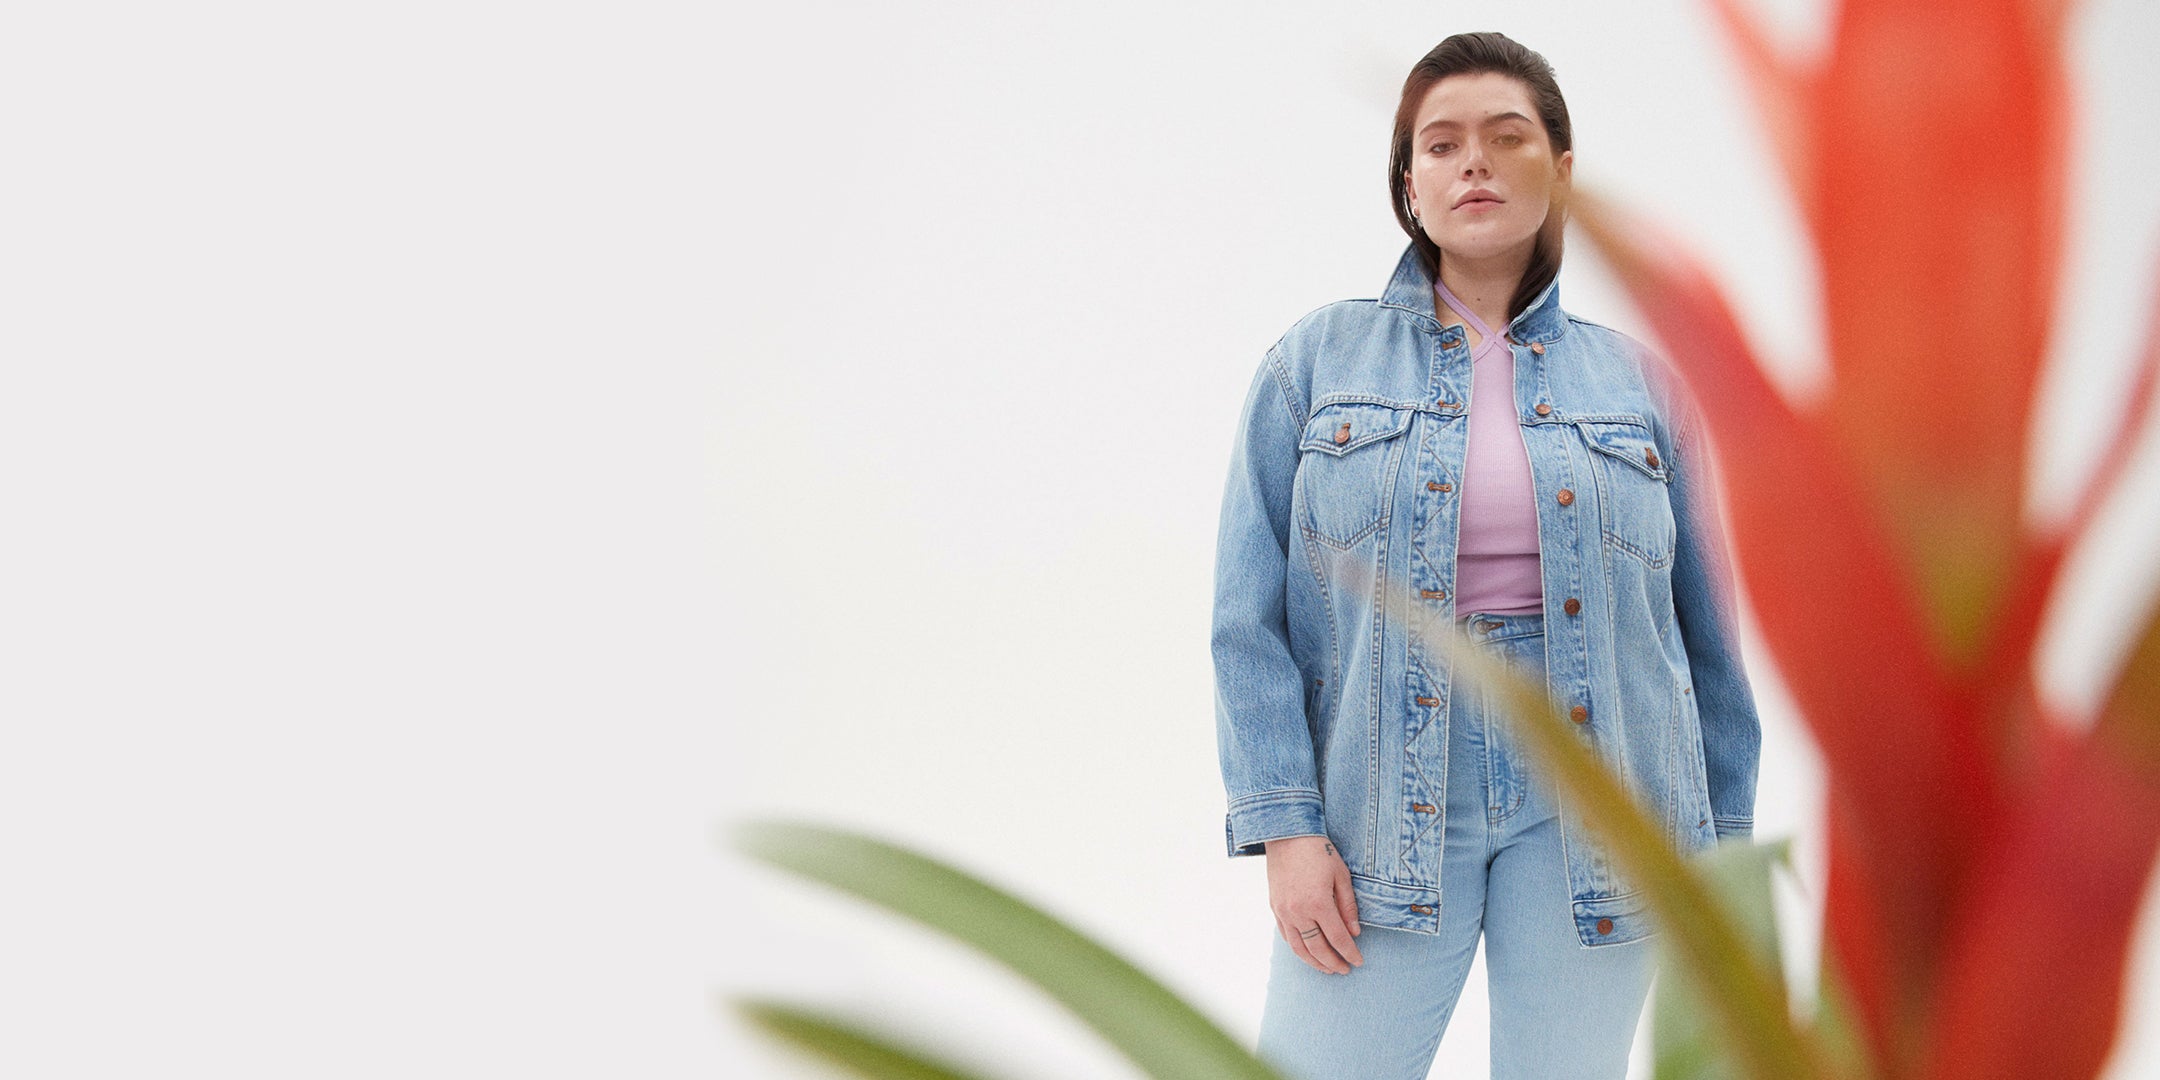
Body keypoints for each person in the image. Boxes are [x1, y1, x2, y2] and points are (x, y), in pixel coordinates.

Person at [1209, 31, 1763, 1079]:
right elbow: (1248, 622)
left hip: (1607, 809)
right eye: (1442, 143)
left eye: (1508, 138)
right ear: (1408, 183)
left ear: (1559, 172)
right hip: (1379, 800)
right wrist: (1285, 827)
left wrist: (1722, 853)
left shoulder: (1644, 384)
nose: (1474, 163)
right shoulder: (1311, 364)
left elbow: (1707, 643)